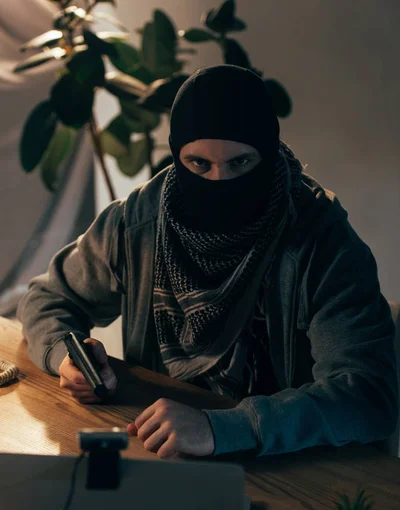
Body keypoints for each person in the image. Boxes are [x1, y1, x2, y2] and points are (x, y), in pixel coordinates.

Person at [17, 65, 398, 460]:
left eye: (240, 164)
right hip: (159, 449)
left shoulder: (321, 239)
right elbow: (47, 298)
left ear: (266, 155)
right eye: (199, 164)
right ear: (178, 156)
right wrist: (69, 357)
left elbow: (368, 394)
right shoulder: (139, 222)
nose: (219, 182)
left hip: (289, 462)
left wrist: (225, 427)